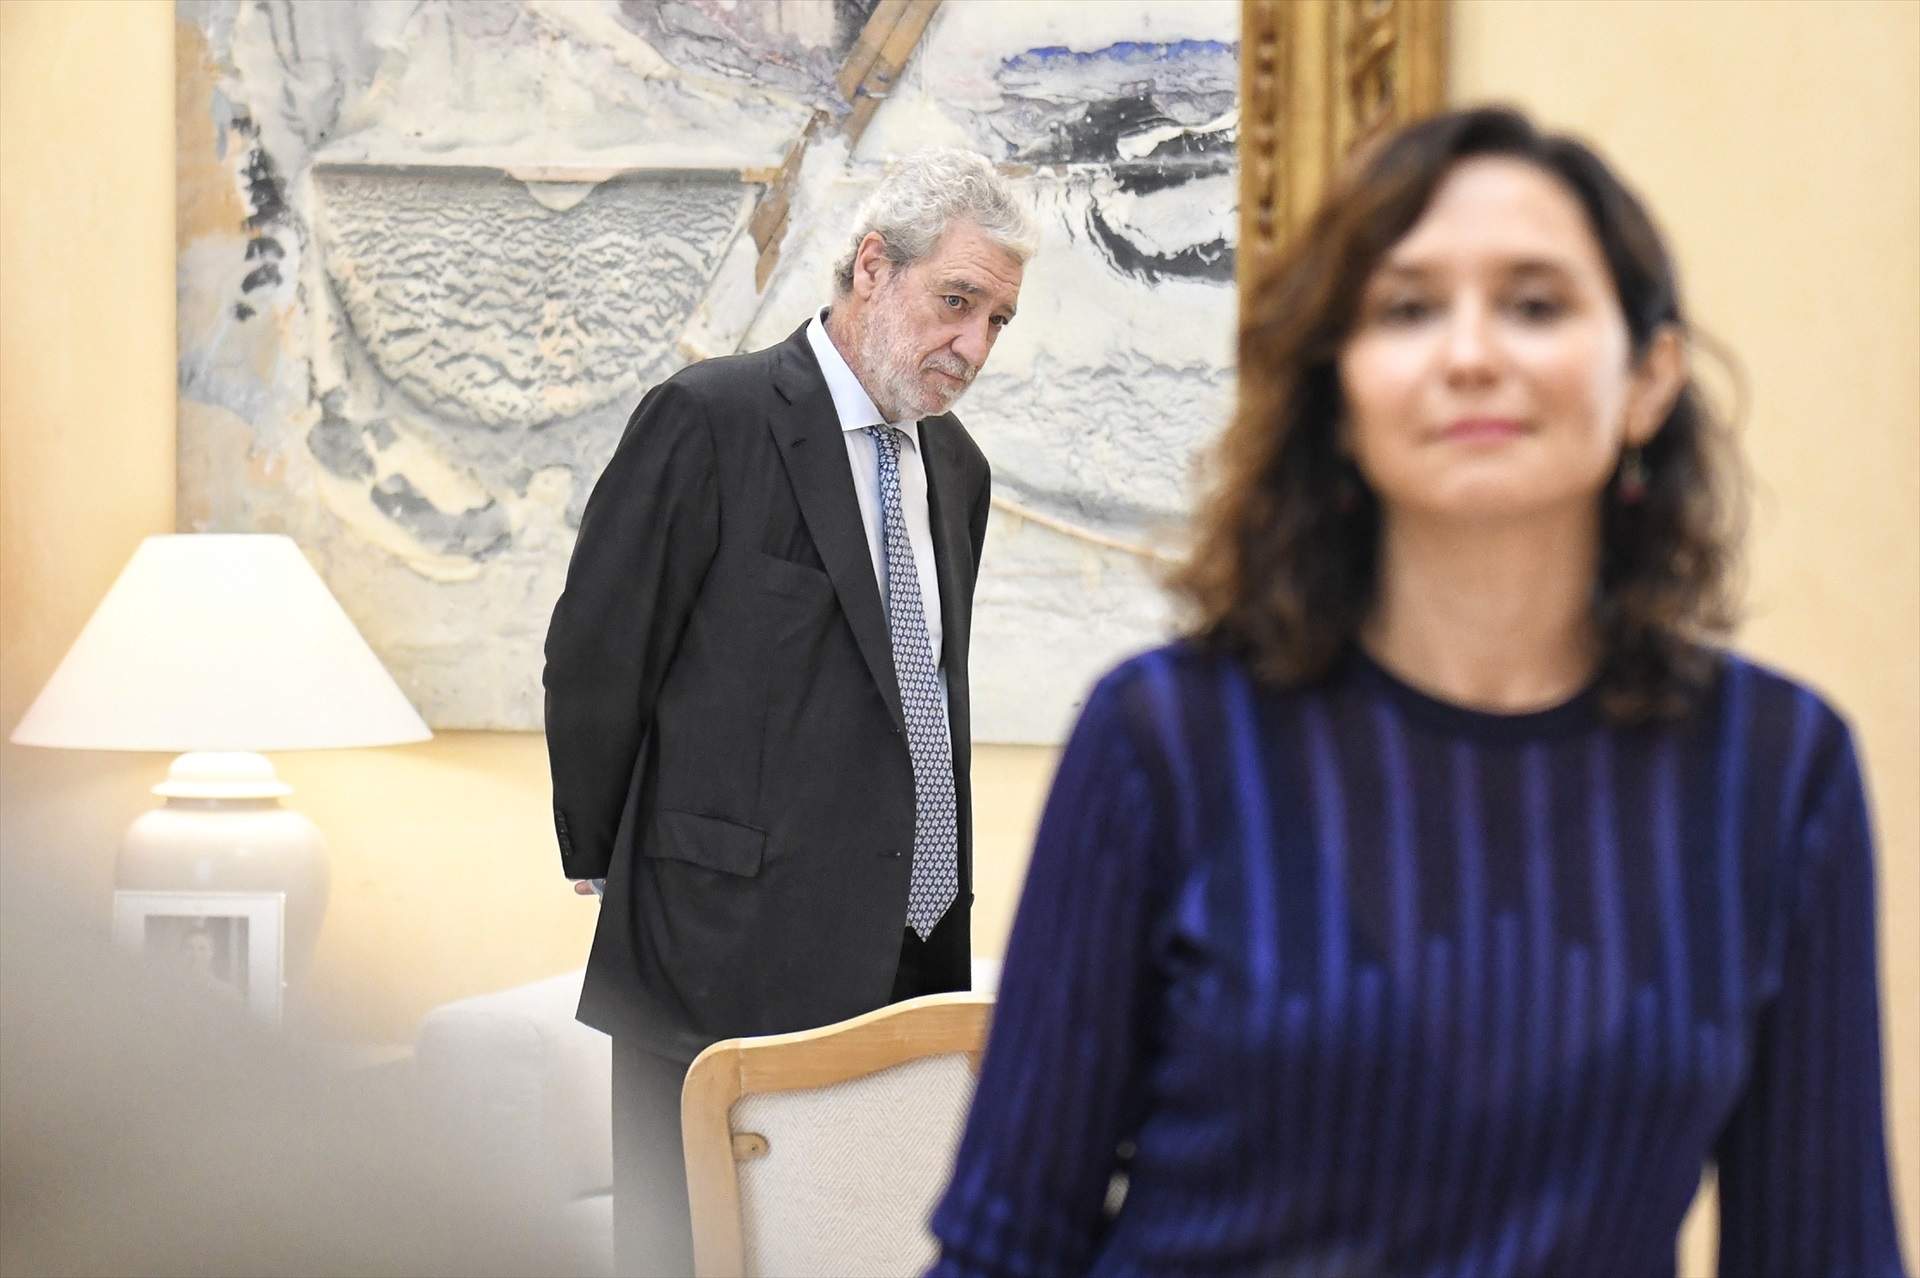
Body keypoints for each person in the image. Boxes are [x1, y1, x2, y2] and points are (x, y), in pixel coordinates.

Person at [930, 107, 1907, 1277]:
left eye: (1536, 305)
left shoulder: (1777, 772)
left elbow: (1822, 1252)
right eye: (1407, 310)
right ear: (1340, 389)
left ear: (1649, 378)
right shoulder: (1165, 740)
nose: (1470, 354)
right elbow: (1008, 1245)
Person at [544, 147, 1035, 1274]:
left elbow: (918, 698)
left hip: (912, 960)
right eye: (957, 301)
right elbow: (598, 653)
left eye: (998, 321)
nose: (973, 346)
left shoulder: (959, 471)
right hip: (716, 953)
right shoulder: (709, 418)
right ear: (873, 267)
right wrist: (619, 863)